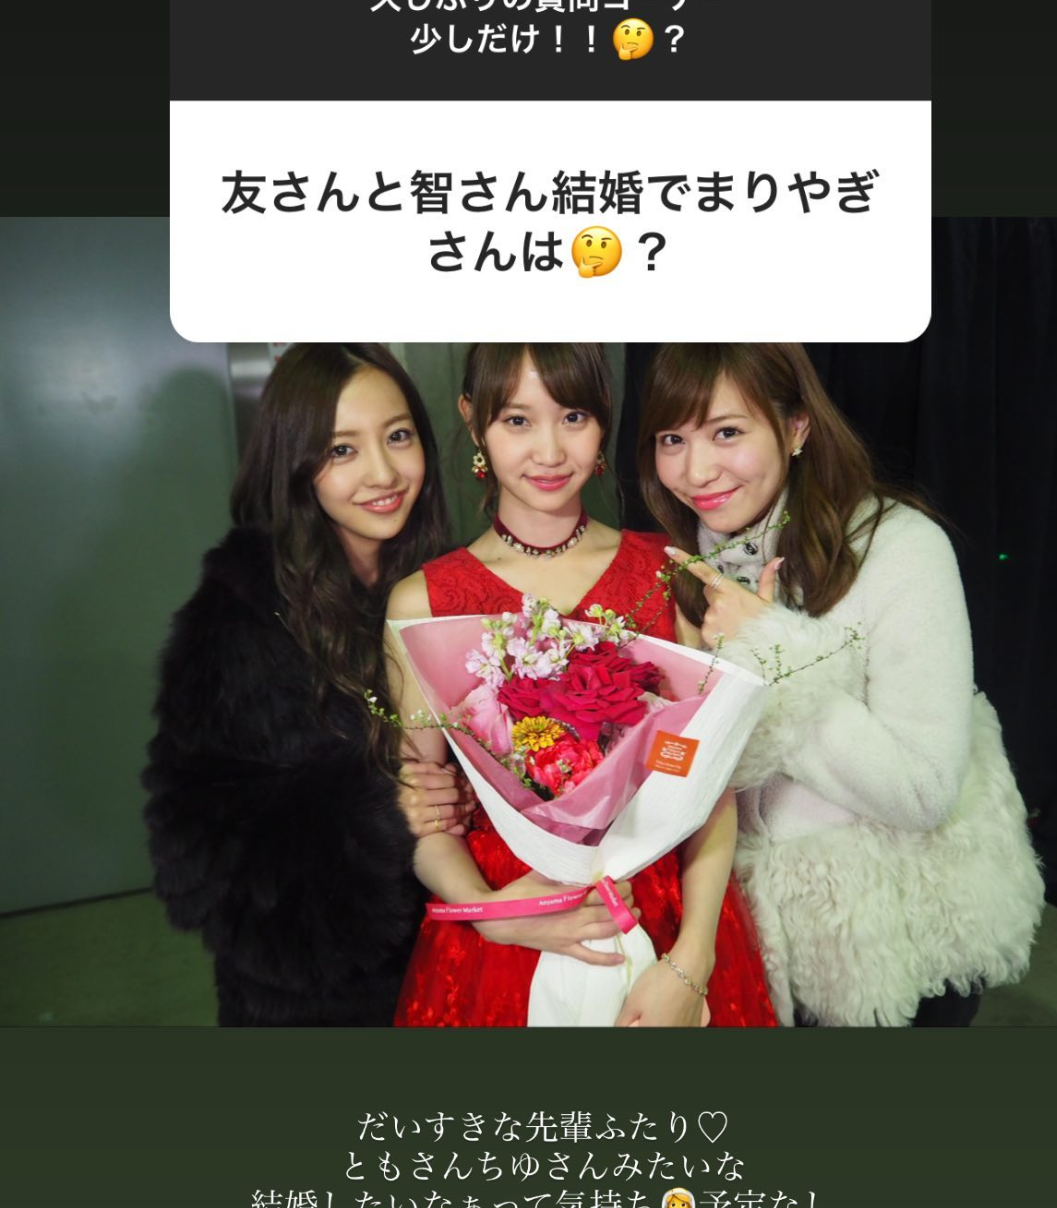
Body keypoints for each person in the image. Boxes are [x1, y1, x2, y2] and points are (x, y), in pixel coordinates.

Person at [638, 342, 1044, 1027]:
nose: (695, 470)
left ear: (796, 427)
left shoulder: (899, 547)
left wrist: (775, 654)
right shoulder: (672, 562)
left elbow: (923, 791)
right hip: (740, 947)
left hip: (888, 947)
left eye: (727, 433)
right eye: (672, 439)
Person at [386, 343, 776, 1029]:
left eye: (573, 417)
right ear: (473, 421)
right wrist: (489, 912)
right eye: (517, 421)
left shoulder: (665, 569)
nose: (549, 451)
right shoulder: (424, 602)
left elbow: (707, 782)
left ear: (603, 421)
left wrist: (693, 958)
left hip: (664, 909)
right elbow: (424, 809)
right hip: (511, 913)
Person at [144, 343, 471, 1026]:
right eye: (341, 450)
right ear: (294, 464)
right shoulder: (239, 620)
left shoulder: (450, 586)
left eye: (398, 436)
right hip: (324, 1003)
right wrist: (377, 815)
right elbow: (193, 854)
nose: (383, 472)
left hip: (459, 964)